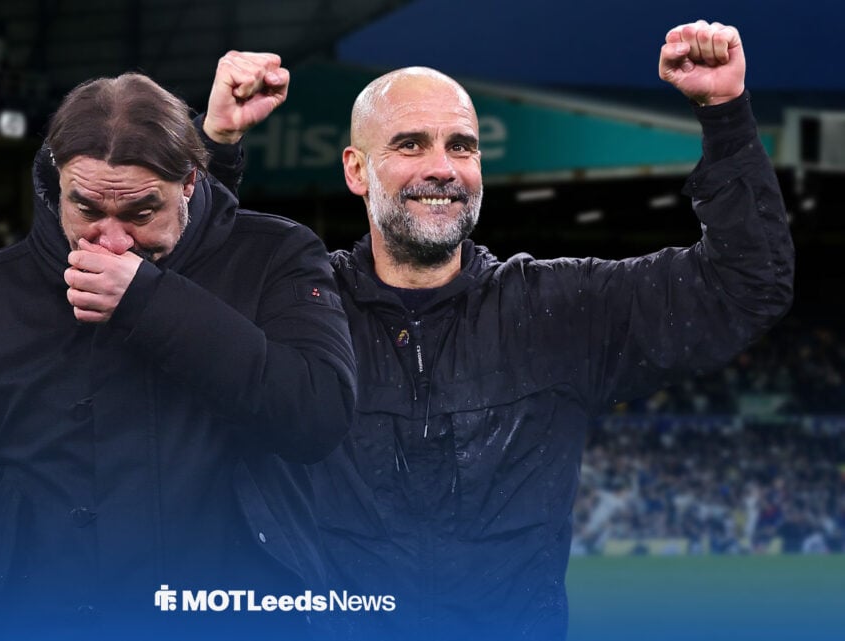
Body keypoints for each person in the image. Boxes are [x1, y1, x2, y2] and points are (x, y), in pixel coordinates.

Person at [217, 21, 794, 640]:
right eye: (411, 144)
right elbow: (178, 292)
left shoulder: (561, 308)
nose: (443, 168)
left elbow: (747, 284)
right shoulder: (299, 307)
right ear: (357, 170)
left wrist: (725, 115)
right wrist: (219, 146)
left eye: (462, 146)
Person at [0, 53, 356, 641]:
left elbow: (317, 415)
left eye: (140, 211)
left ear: (190, 183)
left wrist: (149, 300)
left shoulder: (276, 253)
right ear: (57, 184)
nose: (114, 240)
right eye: (87, 209)